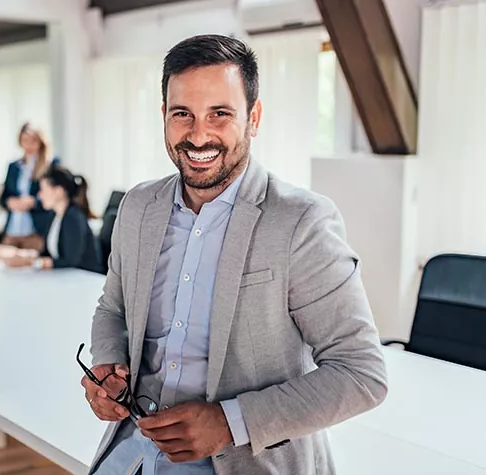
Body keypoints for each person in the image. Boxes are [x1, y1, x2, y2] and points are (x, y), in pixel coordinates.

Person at [84, 34, 387, 475]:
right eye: (182, 114)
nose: (199, 134)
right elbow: (113, 307)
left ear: (254, 117)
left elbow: (362, 374)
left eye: (220, 114)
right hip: (131, 452)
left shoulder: (301, 221)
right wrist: (107, 364)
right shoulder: (138, 206)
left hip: (247, 462)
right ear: (164, 117)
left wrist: (230, 423)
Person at [0, 166, 102, 274]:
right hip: (66, 277)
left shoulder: (73, 218)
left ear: (59, 191)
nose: (39, 195)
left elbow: (70, 261)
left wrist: (34, 262)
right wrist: (21, 256)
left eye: (43, 189)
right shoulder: (54, 215)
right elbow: (47, 253)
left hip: (84, 278)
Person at [0, 122, 57, 251]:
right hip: (13, 229)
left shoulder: (50, 165)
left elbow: (57, 196)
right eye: (25, 140)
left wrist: (33, 202)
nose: (29, 145)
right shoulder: (14, 167)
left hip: (36, 231)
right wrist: (10, 202)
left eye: (33, 141)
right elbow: (3, 197)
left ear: (40, 142)